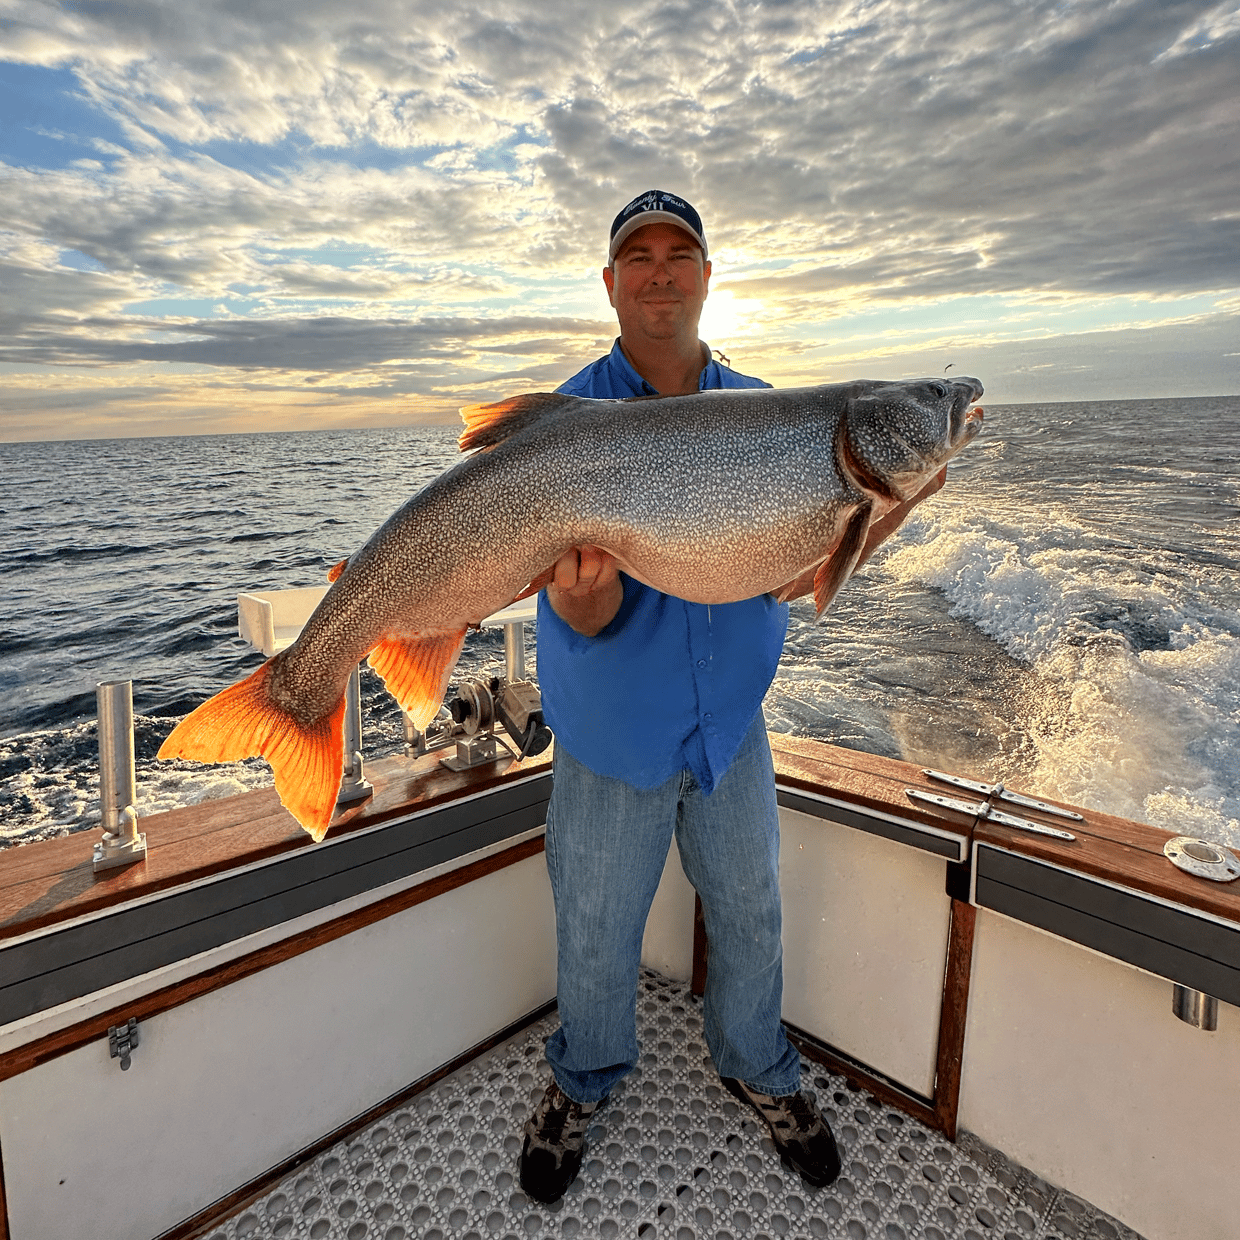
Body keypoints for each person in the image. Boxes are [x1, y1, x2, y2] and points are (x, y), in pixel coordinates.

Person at [519, 190, 943, 1204]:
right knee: (594, 931)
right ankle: (580, 1083)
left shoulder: (774, 413)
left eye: (680, 253)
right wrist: (582, 608)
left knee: (751, 915)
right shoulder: (564, 419)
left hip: (730, 731)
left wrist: (881, 506)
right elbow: (576, 604)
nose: (660, 269)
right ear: (611, 282)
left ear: (708, 276)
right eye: (639, 255)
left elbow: (797, 577)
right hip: (610, 732)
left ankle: (759, 1067)